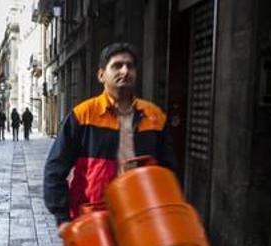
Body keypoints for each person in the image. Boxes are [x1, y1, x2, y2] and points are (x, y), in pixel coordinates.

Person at [43, 42, 175, 225]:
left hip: (143, 219)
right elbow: (55, 168)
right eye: (117, 65)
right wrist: (62, 217)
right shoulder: (83, 115)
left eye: (130, 66)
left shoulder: (155, 117)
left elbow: (168, 172)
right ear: (101, 75)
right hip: (93, 220)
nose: (125, 71)